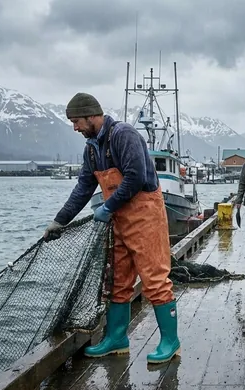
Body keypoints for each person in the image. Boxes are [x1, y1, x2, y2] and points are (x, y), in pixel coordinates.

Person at [43, 93, 180, 365]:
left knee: (155, 280)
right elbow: (83, 188)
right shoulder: (92, 149)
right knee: (117, 282)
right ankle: (117, 339)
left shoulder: (123, 135)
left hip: (145, 216)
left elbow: (135, 177)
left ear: (93, 116)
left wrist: (107, 206)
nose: (75, 128)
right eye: (72, 122)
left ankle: (170, 341)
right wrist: (60, 221)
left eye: (77, 121)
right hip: (118, 220)